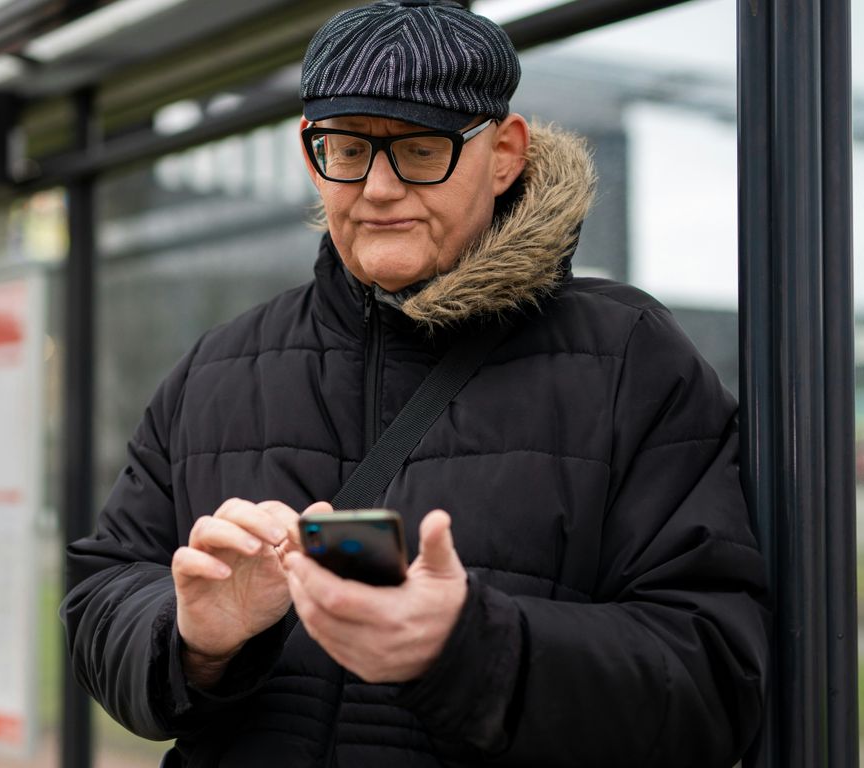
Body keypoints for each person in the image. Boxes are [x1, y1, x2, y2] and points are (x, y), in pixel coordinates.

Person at [63, 1, 770, 765]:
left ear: (505, 153)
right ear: (311, 153)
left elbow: (715, 678)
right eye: (347, 149)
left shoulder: (630, 359)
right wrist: (192, 637)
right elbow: (100, 595)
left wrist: (470, 646)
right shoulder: (219, 365)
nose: (378, 188)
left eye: (421, 149)